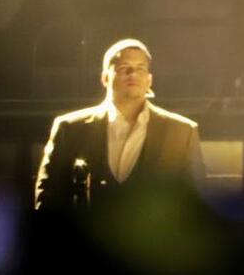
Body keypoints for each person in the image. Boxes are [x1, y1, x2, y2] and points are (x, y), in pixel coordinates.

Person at [34, 39, 204, 209]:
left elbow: (195, 203)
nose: (133, 74)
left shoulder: (182, 132)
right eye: (124, 68)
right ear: (105, 77)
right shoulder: (69, 128)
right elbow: (48, 195)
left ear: (149, 79)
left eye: (140, 68)